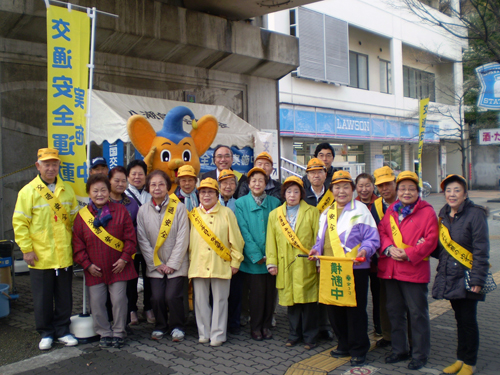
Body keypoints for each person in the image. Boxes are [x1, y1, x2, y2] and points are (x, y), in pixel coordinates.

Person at [310, 170, 380, 366]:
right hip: (331, 267)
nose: (341, 191)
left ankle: (359, 348)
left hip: (355, 268)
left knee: (355, 309)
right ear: (332, 190)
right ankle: (343, 343)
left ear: (352, 189)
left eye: (345, 187)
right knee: (334, 307)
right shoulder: (327, 212)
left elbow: (372, 238)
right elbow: (319, 240)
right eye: (337, 187)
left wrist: (365, 251)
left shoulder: (361, 210)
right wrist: (315, 251)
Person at [13, 148, 79, 350]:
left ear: (59, 165)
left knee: (64, 296)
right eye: (46, 164)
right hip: (40, 256)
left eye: (54, 164)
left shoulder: (67, 190)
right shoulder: (28, 191)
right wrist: (26, 249)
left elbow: (76, 222)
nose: (51, 168)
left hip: (64, 255)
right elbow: (20, 223)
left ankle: (63, 330)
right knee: (42, 298)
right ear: (38, 166)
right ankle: (46, 332)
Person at [378, 171, 438, 370]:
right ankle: (399, 349)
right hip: (391, 270)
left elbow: (431, 240)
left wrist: (409, 253)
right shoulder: (392, 210)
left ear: (418, 191)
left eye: (411, 188)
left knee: (417, 314)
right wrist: (388, 248)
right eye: (402, 188)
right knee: (395, 312)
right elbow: (382, 230)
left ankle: (420, 354)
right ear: (397, 190)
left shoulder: (427, 211)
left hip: (414, 271)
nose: (406, 192)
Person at [432, 175, 490, 375]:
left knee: (468, 320)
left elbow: (481, 249)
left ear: (465, 194)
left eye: (457, 190)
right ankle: (460, 358)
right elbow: (441, 249)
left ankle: (470, 362)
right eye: (448, 190)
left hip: (467, 277)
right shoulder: (444, 214)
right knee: (459, 320)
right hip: (450, 276)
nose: (452, 194)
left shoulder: (475, 214)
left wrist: (477, 279)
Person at [73, 174, 138, 349]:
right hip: (94, 269)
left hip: (119, 267)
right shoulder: (82, 217)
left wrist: (124, 259)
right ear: (89, 193)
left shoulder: (121, 211)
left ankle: (118, 332)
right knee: (97, 301)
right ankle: (104, 332)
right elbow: (78, 244)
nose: (100, 194)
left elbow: (130, 238)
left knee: (118, 300)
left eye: (103, 190)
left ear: (109, 192)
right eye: (95, 191)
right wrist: (87, 264)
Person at [188, 178, 245, 346]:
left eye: (210, 192)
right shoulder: (193, 215)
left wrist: (235, 261)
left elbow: (237, 240)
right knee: (200, 301)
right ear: (198, 195)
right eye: (203, 192)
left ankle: (218, 334)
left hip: (221, 263)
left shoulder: (227, 213)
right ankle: (203, 333)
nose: (206, 195)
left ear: (217, 194)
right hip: (198, 263)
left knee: (220, 301)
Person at [266, 176, 320, 350]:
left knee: (308, 303)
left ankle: (310, 337)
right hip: (285, 264)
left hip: (306, 264)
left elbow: (318, 238)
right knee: (292, 303)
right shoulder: (275, 215)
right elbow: (271, 241)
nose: (292, 195)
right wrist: (272, 263)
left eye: (296, 191)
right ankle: (293, 335)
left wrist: (318, 260)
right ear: (284, 193)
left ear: (301, 194)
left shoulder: (312, 212)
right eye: (289, 191)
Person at [137, 170, 190, 342]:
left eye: (161, 184)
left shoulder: (180, 208)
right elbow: (142, 239)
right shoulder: (143, 210)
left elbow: (183, 237)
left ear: (168, 186)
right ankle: (160, 325)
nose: (157, 188)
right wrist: (156, 264)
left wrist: (172, 264)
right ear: (148, 188)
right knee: (157, 297)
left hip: (177, 263)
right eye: (153, 184)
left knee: (172, 296)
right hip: (155, 265)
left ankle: (177, 326)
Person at [235, 167, 281, 340]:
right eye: (253, 180)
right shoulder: (240, 203)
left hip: (271, 257)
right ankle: (255, 327)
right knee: (255, 295)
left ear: (266, 183)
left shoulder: (275, 203)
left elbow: (278, 231)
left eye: (261, 180)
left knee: (270, 295)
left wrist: (271, 255)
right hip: (252, 260)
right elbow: (243, 231)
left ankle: (266, 326)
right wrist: (256, 255)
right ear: (249, 183)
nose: (257, 184)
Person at [108, 166, 140, 325]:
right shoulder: (102, 200)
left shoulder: (132, 204)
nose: (120, 184)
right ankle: (108, 322)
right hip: (106, 253)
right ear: (109, 181)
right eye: (116, 180)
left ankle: (125, 321)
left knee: (128, 288)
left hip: (127, 253)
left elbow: (135, 227)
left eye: (123, 181)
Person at [370, 166, 398, 348]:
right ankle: (387, 336)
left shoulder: (406, 202)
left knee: (405, 304)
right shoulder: (376, 205)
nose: (384, 188)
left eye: (388, 184)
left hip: (406, 261)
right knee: (384, 301)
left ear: (395, 183)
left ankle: (408, 341)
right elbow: (374, 232)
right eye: (380, 185)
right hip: (383, 261)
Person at [124, 160, 155, 324]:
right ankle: (131, 309)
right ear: (128, 176)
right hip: (131, 246)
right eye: (133, 174)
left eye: (140, 174)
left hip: (150, 245)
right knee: (131, 278)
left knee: (150, 277)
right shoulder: (124, 195)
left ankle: (149, 307)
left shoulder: (151, 193)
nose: (137, 177)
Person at [354, 172, 381, 337]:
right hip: (358, 261)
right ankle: (362, 328)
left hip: (378, 260)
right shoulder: (351, 205)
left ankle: (380, 327)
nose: (364, 189)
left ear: (373, 186)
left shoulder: (380, 204)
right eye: (360, 186)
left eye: (367, 186)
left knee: (379, 296)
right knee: (360, 298)